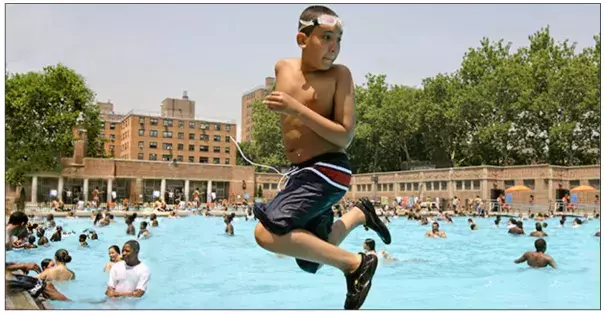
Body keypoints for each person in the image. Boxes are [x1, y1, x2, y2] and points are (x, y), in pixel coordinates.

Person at [251, 5, 390, 310]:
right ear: (302, 39)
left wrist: (296, 108)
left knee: (265, 233)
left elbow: (345, 135)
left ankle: (356, 264)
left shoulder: (341, 76)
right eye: (326, 37)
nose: (334, 47)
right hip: (301, 170)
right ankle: (359, 214)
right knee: (310, 260)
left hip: (328, 168)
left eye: (339, 39)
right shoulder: (282, 68)